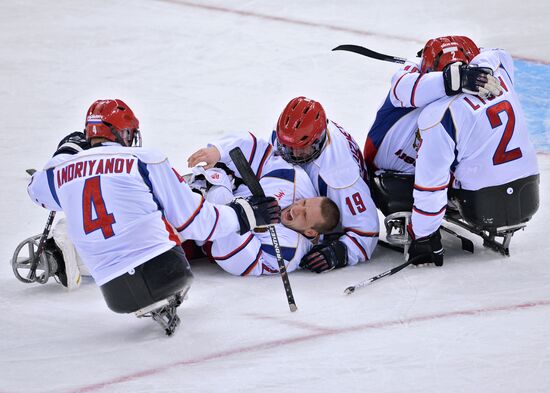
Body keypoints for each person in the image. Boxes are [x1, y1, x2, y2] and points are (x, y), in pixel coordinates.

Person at [26, 99, 280, 334]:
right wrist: (244, 214)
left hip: (114, 293)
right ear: (124, 133)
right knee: (164, 215)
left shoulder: (59, 170)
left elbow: (37, 193)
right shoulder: (144, 160)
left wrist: (66, 151)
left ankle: (67, 253)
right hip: (166, 274)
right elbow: (194, 221)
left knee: (84, 211)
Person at [403, 37, 540, 265]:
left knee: (420, 171)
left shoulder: (438, 115)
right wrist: (480, 68)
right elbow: (498, 52)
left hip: (481, 204)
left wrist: (423, 236)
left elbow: (431, 184)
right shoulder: (501, 74)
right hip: (529, 193)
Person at [187, 136, 340, 275]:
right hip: (194, 194)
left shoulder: (288, 252)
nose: (297, 208)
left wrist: (244, 215)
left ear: (311, 232)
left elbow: (234, 258)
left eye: (305, 215)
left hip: (196, 238)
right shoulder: (293, 179)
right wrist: (219, 151)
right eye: (304, 203)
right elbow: (260, 152)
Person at [273, 97, 380, 272]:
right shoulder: (292, 133)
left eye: (302, 147)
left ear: (318, 139)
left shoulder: (339, 176)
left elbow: (367, 232)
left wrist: (339, 252)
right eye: (287, 146)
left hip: (319, 218)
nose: (293, 153)